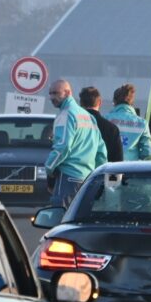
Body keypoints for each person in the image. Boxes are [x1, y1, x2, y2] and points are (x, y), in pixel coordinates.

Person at [46, 79, 107, 208]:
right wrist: (95, 174)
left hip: (68, 178)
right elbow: (101, 152)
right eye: (50, 93)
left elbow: (63, 146)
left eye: (56, 93)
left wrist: (49, 167)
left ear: (68, 93)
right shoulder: (88, 117)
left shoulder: (65, 115)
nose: (51, 97)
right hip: (87, 179)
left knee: (62, 215)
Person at [105, 83, 151, 161]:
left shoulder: (106, 119)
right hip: (131, 166)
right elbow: (147, 151)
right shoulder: (142, 123)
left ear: (114, 101)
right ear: (132, 102)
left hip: (110, 165)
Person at [79, 86, 124, 163]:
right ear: (100, 103)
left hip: (79, 169)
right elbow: (118, 161)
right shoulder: (112, 129)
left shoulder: (75, 124)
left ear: (80, 103)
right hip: (104, 169)